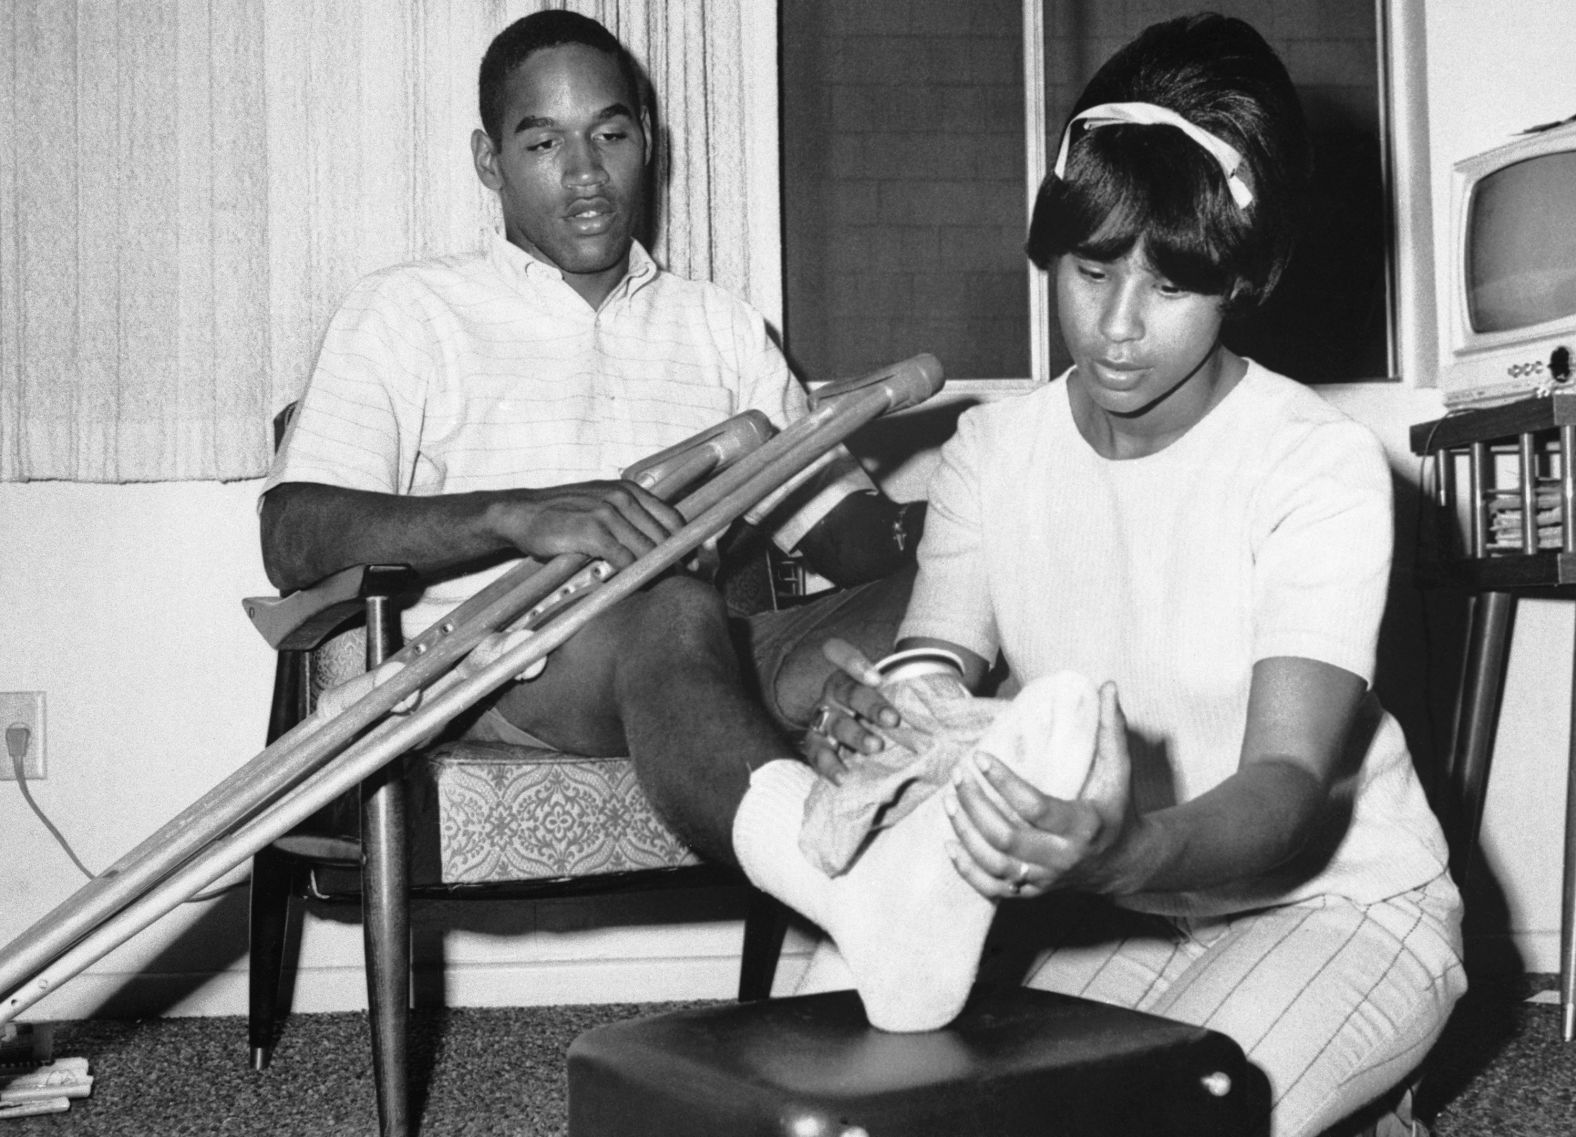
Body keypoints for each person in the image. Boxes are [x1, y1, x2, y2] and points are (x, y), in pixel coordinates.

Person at [794, 14, 1466, 1137]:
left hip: (1336, 907)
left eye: (1171, 286)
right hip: (1109, 909)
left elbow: (1289, 792)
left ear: (1243, 277)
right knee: (864, 1075)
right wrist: (879, 729)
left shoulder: (1314, 464)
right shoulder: (994, 452)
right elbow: (933, 658)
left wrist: (1126, 851)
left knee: (1152, 1123)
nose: (1114, 327)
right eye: (1091, 267)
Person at [258, 10, 922, 866]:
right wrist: (517, 514)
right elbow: (290, 535)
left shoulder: (717, 324)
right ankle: (828, 878)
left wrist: (972, 522)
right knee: (672, 604)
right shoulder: (408, 311)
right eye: (543, 144)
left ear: (647, 141)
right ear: (489, 161)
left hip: (712, 654)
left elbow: (854, 536)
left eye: (609, 133)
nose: (585, 173)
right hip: (514, 673)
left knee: (984, 579)